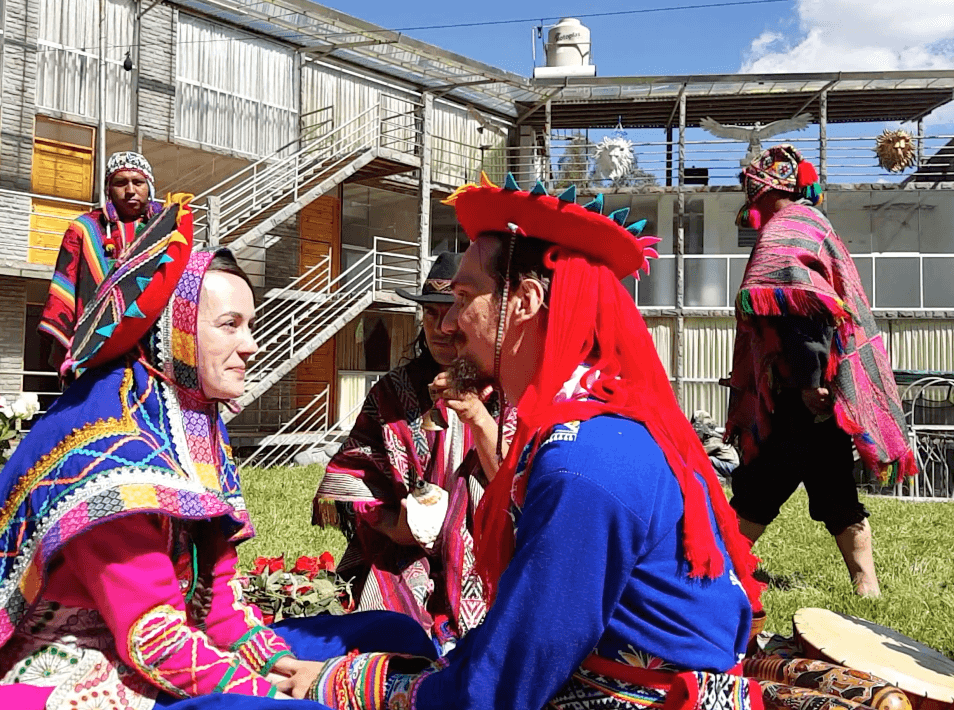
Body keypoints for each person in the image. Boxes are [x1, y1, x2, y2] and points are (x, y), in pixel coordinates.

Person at [0, 203, 435, 710]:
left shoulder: (188, 424)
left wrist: (273, 661)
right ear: (176, 331)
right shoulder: (106, 451)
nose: (251, 345)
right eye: (230, 325)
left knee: (392, 630)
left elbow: (217, 595)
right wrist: (285, 691)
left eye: (250, 325)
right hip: (95, 670)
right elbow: (153, 641)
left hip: (174, 644)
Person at [301, 174, 766, 709]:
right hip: (591, 678)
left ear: (524, 300)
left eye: (464, 298)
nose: (449, 324)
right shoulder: (578, 429)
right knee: (387, 636)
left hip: (629, 698)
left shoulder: (584, 461)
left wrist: (342, 686)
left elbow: (503, 689)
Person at [725, 145, 916, 599]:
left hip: (801, 389)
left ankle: (716, 569)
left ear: (764, 193)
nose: (752, 210)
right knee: (831, 484)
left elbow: (805, 307)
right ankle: (866, 585)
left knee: (761, 483)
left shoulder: (784, 230)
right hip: (823, 387)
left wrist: (810, 382)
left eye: (752, 200)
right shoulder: (815, 224)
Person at [313, 252, 511, 653]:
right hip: (408, 557)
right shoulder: (392, 393)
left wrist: (475, 414)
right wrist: (395, 527)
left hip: (495, 555)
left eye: (454, 312)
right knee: (389, 633)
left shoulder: (511, 391)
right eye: (431, 314)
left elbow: (522, 484)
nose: (443, 328)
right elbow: (354, 483)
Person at [38, 151, 165, 379]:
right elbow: (64, 290)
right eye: (120, 183)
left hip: (153, 349)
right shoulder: (84, 229)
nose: (130, 191)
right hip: (94, 348)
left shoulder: (166, 231)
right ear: (108, 188)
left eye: (138, 182)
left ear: (150, 187)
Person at [691, 409, 739, 482]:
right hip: (731, 465)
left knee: (707, 459)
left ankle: (718, 480)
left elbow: (700, 453)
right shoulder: (715, 436)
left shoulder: (713, 440)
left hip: (732, 466)